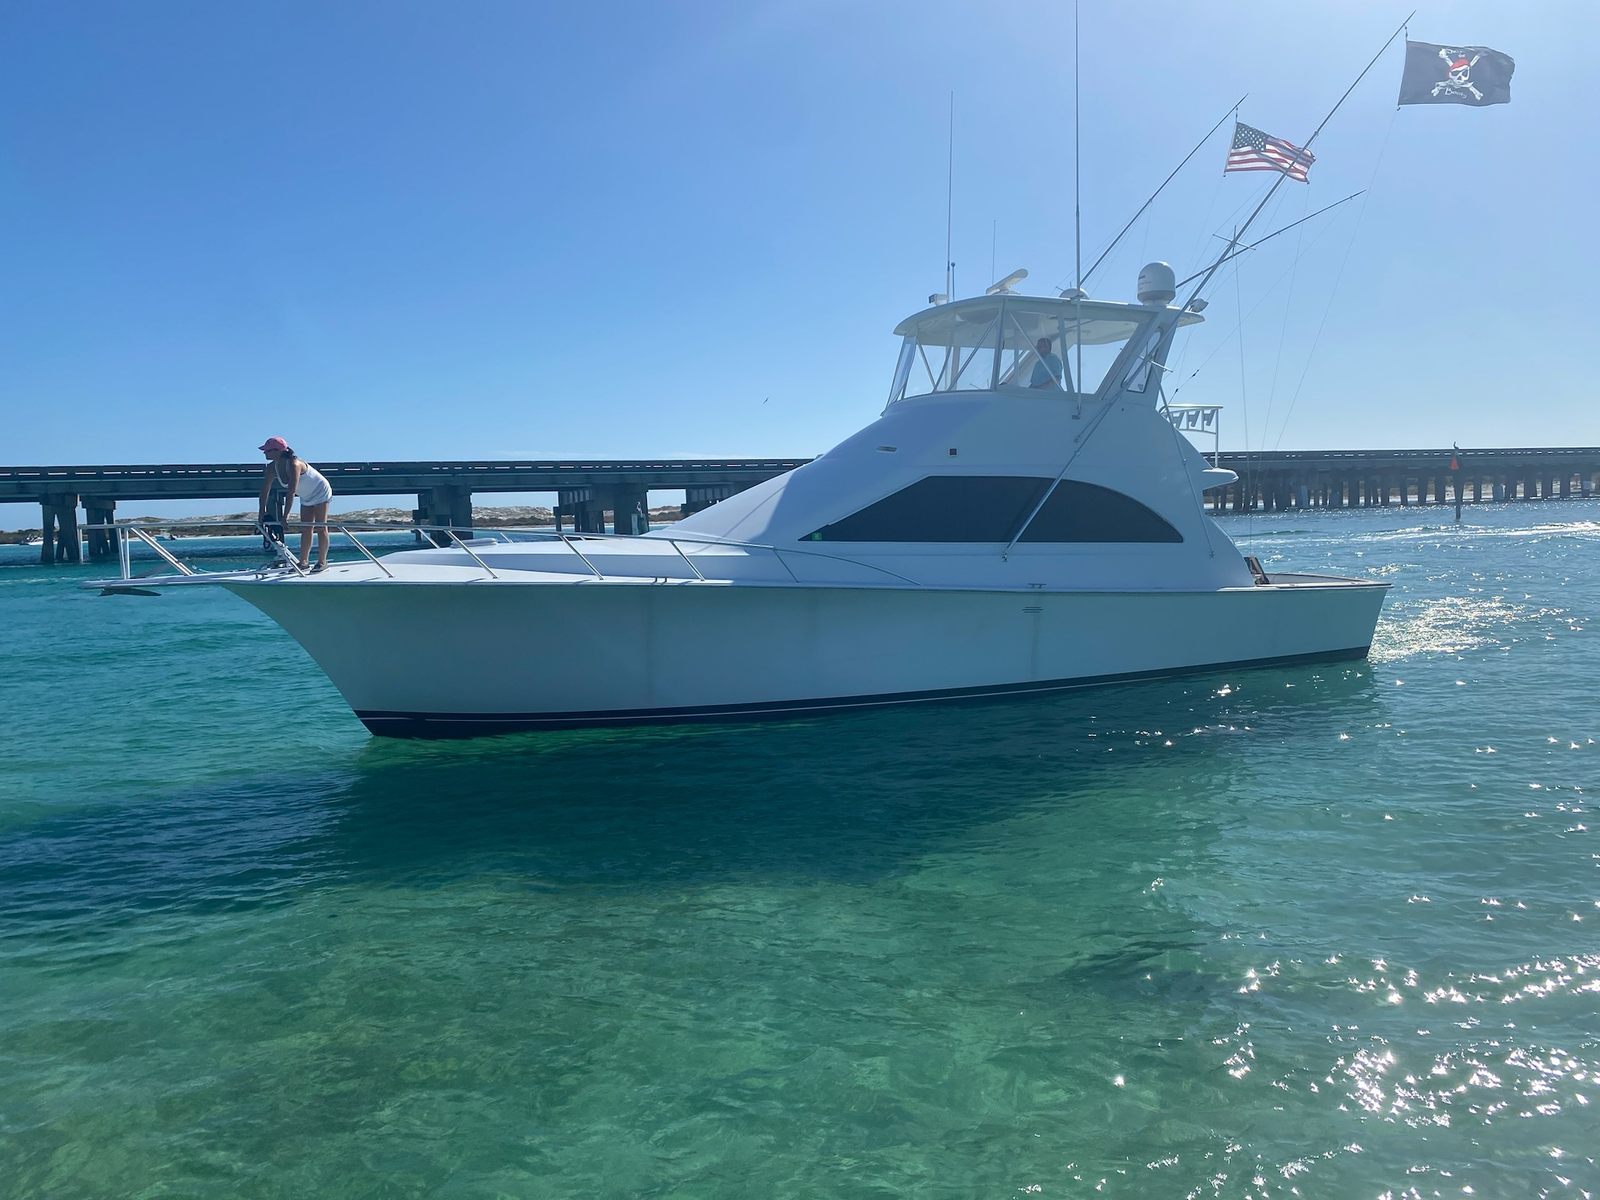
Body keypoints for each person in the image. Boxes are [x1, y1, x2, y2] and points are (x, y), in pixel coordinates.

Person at [257, 437, 333, 572]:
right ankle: (303, 562)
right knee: (306, 528)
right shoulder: (271, 468)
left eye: (267, 450)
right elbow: (264, 491)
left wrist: (285, 516)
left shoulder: (294, 464)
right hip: (306, 495)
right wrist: (261, 513)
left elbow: (291, 491)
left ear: (278, 451)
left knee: (321, 527)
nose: (264, 453)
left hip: (320, 491)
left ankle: (322, 561)